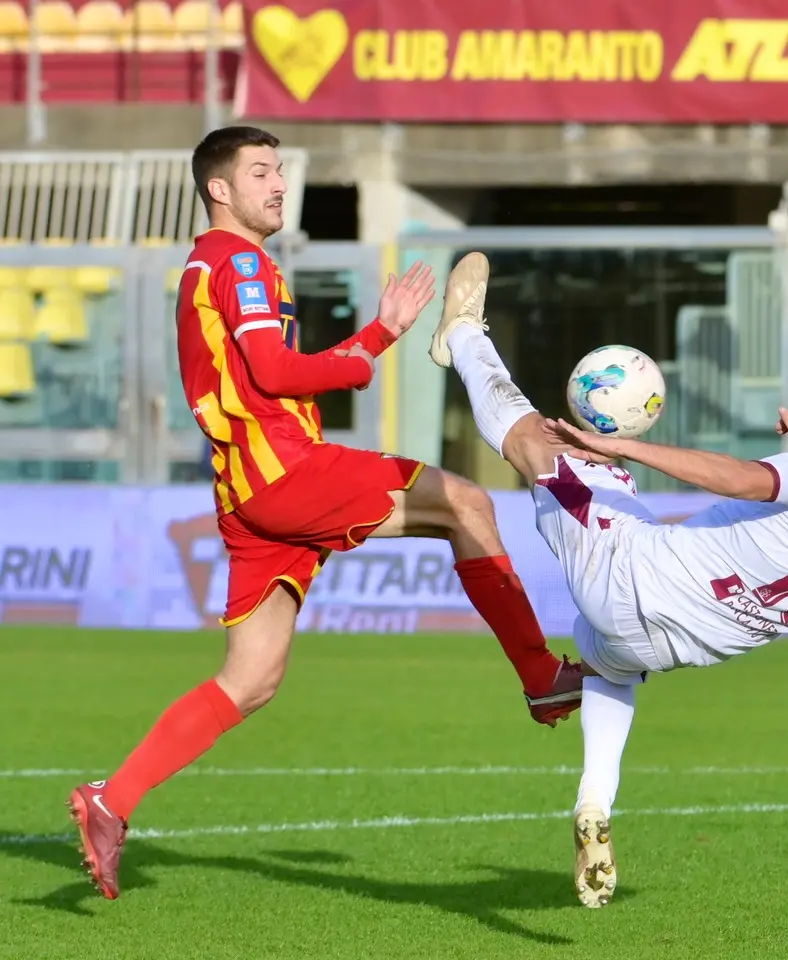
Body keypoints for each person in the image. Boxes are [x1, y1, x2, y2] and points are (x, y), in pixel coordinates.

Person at [68, 127, 584, 901]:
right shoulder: (237, 260)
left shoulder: (214, 265)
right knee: (468, 503)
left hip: (246, 493)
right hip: (285, 474)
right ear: (219, 189)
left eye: (280, 170)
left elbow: (251, 376)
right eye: (261, 171)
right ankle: (541, 675)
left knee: (249, 682)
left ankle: (112, 802)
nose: (278, 184)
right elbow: (274, 371)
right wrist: (375, 341)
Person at [428, 252, 788, 908]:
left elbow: (745, 479)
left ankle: (461, 333)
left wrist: (623, 446)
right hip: (683, 641)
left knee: (539, 448)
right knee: (609, 665)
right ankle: (594, 802)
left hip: (630, 576)